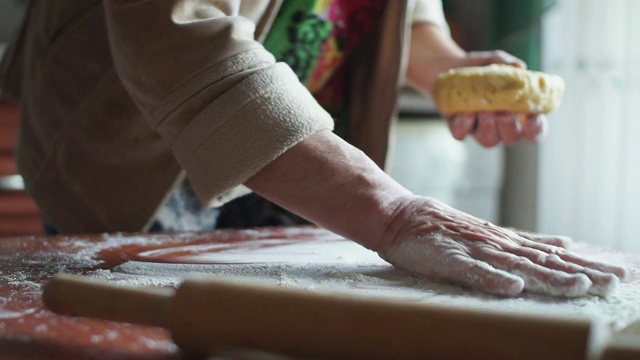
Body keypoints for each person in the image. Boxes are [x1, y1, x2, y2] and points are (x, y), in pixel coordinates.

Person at [0, 0, 626, 297]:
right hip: (141, 135)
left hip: (307, 149)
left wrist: (446, 68)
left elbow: (398, 12)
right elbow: (182, 35)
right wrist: (395, 210)